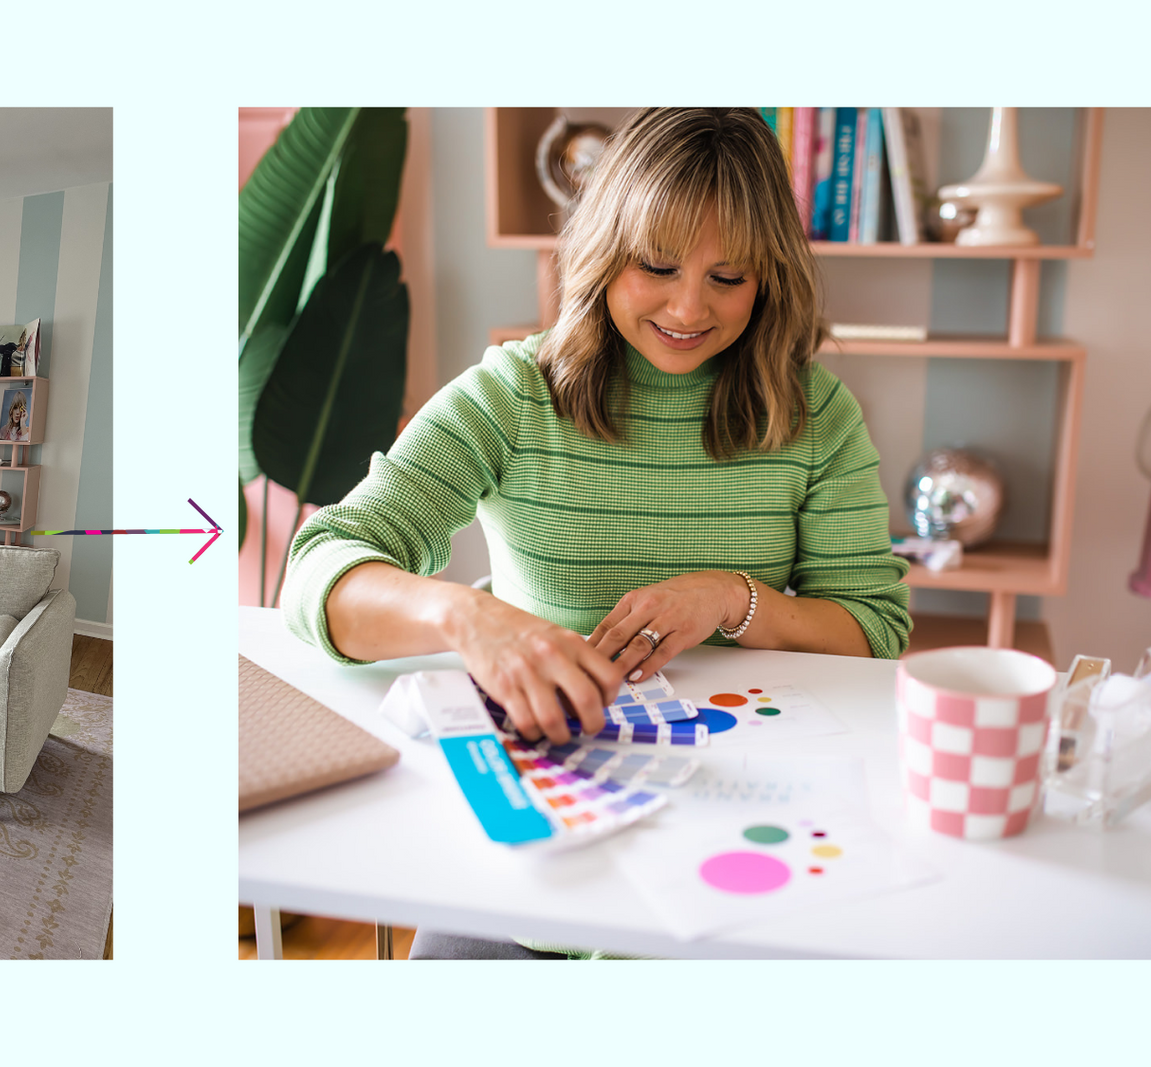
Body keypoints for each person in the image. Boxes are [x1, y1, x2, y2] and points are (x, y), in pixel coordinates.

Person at [279, 108, 912, 957]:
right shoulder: (512, 394)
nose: (691, 307)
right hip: (537, 836)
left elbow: (874, 629)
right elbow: (321, 567)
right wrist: (473, 619)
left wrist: (733, 597)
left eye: (730, 277)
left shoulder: (816, 415)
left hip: (734, 820)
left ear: (770, 279)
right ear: (603, 249)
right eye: (657, 265)